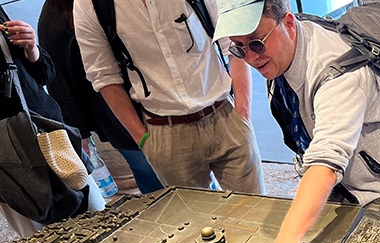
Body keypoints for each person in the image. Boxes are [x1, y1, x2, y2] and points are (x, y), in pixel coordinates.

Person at [212, 0, 380, 243]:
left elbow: (327, 160)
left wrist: (289, 236)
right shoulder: (282, 49)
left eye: (256, 44)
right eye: (238, 47)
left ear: (287, 24)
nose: (249, 57)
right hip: (345, 177)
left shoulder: (339, 72)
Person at [73, 0, 265, 194]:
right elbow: (104, 76)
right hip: (165, 132)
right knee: (192, 219)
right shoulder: (89, 4)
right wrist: (143, 140)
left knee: (254, 209)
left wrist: (243, 113)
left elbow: (232, 40)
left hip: (225, 116)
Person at [39, 0, 163, 195]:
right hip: (114, 110)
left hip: (159, 95)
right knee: (147, 171)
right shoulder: (55, 13)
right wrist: (79, 132)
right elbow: (59, 80)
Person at [0, 9, 105, 237]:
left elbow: (44, 75)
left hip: (47, 131)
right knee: (41, 241)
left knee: (98, 216)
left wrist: (31, 49)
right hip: (8, 153)